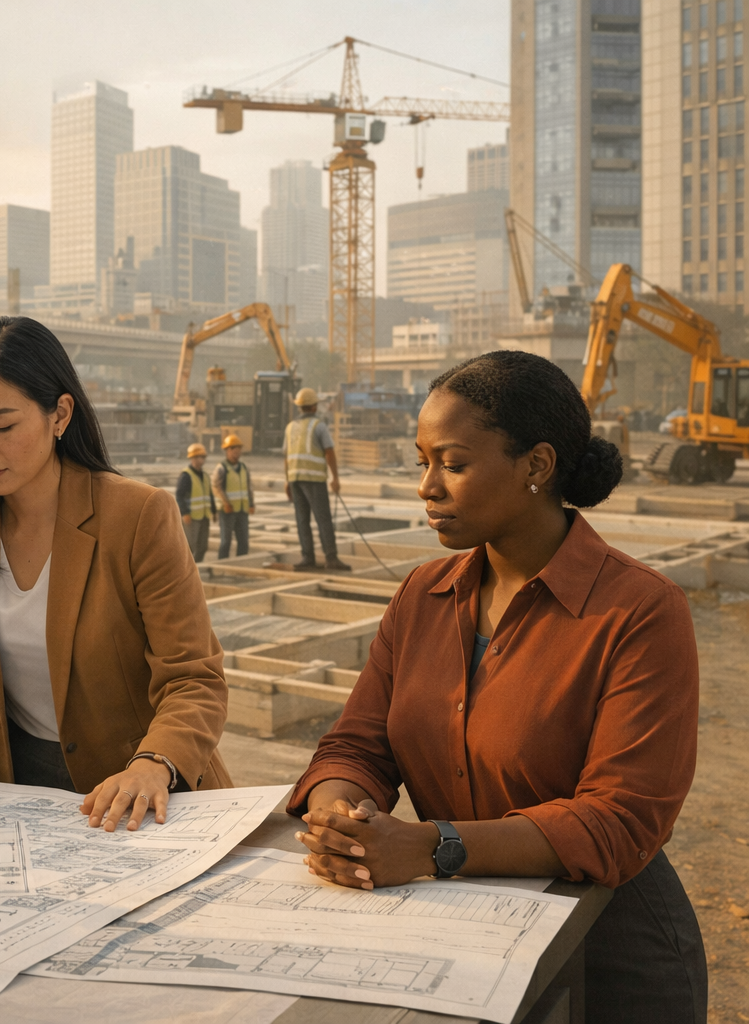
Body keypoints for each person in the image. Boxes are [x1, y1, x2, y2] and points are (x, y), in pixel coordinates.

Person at [290, 350, 706, 1022]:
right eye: (421, 461)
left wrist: (430, 846)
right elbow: (359, 745)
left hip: (609, 958)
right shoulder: (423, 595)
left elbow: (620, 819)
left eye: (453, 464)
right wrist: (342, 813)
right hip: (460, 941)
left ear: (536, 466)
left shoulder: (640, 611)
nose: (427, 485)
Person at [0, 316, 232, 833]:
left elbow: (193, 679)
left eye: (2, 426)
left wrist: (156, 762)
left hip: (146, 795)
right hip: (20, 792)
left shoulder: (138, 516)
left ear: (59, 414)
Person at [284, 387, 350, 572]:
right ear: (313, 407)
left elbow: (286, 456)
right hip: (313, 479)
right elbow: (329, 452)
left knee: (302, 519)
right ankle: (331, 557)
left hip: (295, 479)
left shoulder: (290, 427)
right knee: (323, 519)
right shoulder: (318, 426)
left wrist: (287, 481)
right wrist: (335, 478)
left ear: (299, 407)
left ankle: (308, 557)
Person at [213, 433, 255, 559]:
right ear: (227, 451)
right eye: (234, 450)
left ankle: (241, 563)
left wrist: (251, 504)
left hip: (242, 510)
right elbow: (216, 488)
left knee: (243, 540)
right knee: (226, 541)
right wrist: (226, 503)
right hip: (228, 511)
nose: (237, 453)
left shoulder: (243, 468)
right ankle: (222, 564)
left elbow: (248, 487)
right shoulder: (221, 468)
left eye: (239, 450)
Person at [175, 443, 215, 563]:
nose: (202, 460)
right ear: (192, 458)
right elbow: (179, 496)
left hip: (204, 516)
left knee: (202, 547)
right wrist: (184, 512)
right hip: (191, 517)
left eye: (203, 457)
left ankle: (197, 570)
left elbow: (209, 494)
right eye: (199, 457)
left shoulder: (205, 476)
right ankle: (185, 572)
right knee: (190, 546)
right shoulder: (186, 475)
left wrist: (214, 510)